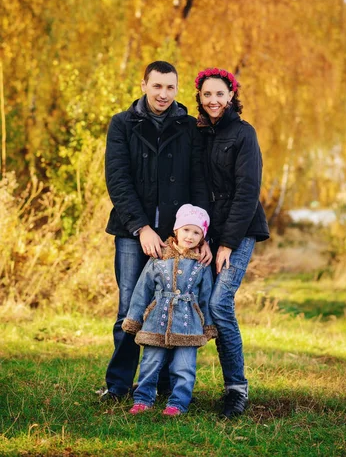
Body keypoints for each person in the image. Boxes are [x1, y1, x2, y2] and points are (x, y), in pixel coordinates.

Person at [100, 61, 210, 403]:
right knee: (129, 309)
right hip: (134, 231)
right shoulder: (122, 124)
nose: (163, 94)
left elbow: (199, 182)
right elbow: (117, 179)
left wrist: (203, 234)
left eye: (170, 87)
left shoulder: (190, 127)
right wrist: (141, 227)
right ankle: (118, 385)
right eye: (157, 86)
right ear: (144, 84)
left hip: (179, 236)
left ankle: (160, 385)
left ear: (177, 90)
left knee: (174, 306)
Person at [194, 67, 269, 418]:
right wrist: (205, 236)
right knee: (203, 303)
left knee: (220, 302)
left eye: (219, 94)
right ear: (200, 96)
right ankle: (172, 382)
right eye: (207, 94)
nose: (213, 101)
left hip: (240, 229)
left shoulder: (243, 134)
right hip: (210, 231)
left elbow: (247, 192)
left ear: (231, 96)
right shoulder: (198, 134)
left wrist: (225, 243)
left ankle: (236, 389)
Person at [121, 204, 217, 416]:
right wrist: (134, 319)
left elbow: (206, 296)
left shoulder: (201, 263)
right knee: (150, 362)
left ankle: (178, 403)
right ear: (176, 230)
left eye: (196, 232)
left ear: (202, 237)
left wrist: (208, 325)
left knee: (184, 367)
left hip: (189, 324)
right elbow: (142, 289)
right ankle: (143, 399)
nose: (190, 236)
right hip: (156, 320)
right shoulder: (160, 256)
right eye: (186, 230)